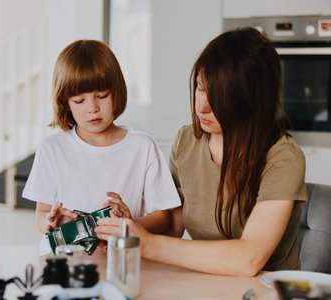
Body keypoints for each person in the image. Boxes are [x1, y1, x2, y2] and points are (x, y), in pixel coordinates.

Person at [96, 27, 307, 277]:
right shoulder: (186, 141)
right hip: (205, 279)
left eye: (218, 96)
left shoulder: (282, 157)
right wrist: (128, 228)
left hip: (268, 287)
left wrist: (147, 243)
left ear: (250, 100)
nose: (202, 106)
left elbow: (249, 259)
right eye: (199, 87)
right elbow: (172, 226)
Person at [22, 39, 181, 255]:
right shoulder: (52, 148)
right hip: (62, 264)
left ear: (116, 92)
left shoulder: (142, 147)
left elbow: (162, 217)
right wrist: (50, 222)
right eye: (79, 100)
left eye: (102, 96)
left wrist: (129, 224)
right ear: (65, 103)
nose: (93, 108)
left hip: (119, 262)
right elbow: (41, 215)